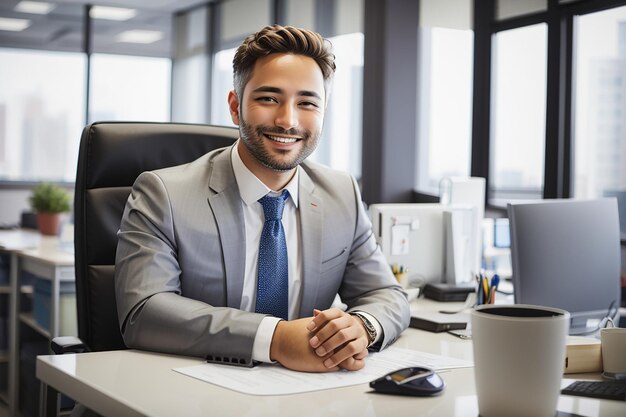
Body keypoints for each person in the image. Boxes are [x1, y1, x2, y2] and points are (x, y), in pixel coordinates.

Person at [114, 24, 410, 373]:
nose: (288, 120)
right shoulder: (163, 193)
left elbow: (388, 295)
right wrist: (275, 339)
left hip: (304, 393)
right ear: (236, 107)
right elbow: (144, 312)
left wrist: (361, 326)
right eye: (269, 99)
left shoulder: (341, 193)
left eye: (307, 103)